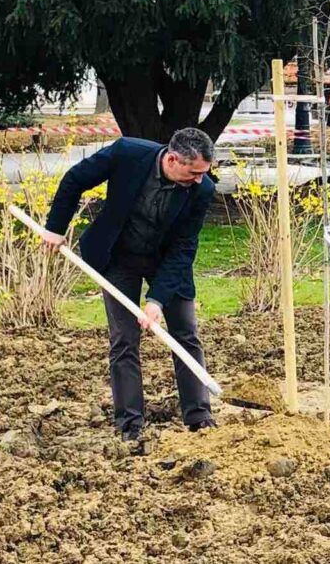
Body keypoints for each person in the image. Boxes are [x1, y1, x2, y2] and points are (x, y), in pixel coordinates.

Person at [40, 128, 218, 443]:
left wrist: (157, 301)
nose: (200, 180)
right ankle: (130, 425)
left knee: (186, 333)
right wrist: (55, 227)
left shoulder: (201, 191)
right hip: (118, 257)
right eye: (194, 173)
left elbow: (183, 249)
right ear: (173, 159)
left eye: (204, 173)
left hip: (166, 261)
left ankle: (199, 417)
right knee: (124, 338)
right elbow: (74, 180)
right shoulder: (128, 154)